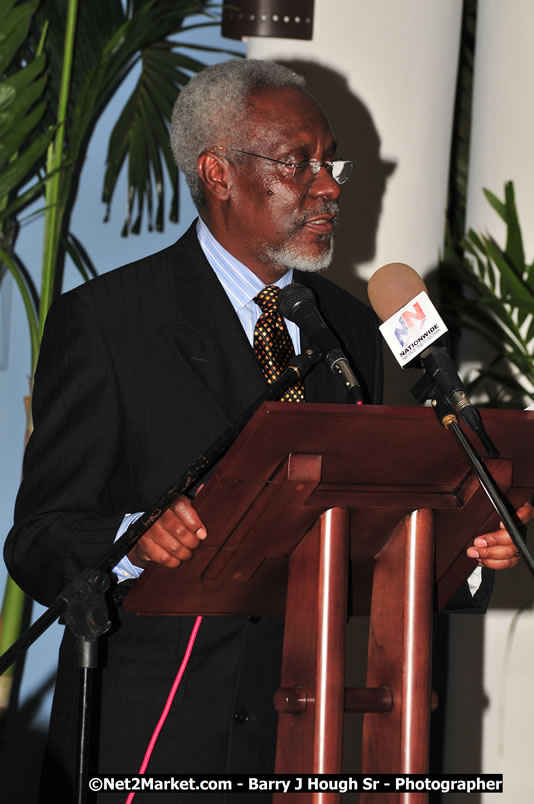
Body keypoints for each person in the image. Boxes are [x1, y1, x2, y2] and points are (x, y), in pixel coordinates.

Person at [3, 59, 521, 802]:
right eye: (297, 162)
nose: (331, 185)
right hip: (152, 739)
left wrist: (464, 546)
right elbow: (39, 538)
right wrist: (129, 540)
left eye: (328, 160)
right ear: (217, 172)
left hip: (302, 738)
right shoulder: (112, 322)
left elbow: (360, 535)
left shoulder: (347, 326)